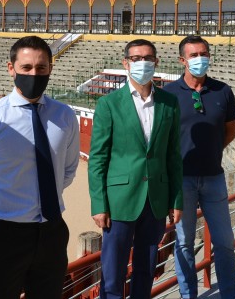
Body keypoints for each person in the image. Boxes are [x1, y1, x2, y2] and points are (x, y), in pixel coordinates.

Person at [0, 35, 80, 299]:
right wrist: (1, 208)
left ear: (50, 68)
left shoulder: (65, 115)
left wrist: (44, 197)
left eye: (41, 68)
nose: (34, 74)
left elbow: (67, 171)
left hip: (52, 230)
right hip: (4, 234)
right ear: (11, 68)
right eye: (26, 68)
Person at [88, 39, 183, 299]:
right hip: (119, 201)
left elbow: (173, 156)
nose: (143, 63)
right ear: (125, 63)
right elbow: (98, 157)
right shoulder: (109, 104)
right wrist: (99, 203)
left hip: (156, 198)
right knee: (112, 272)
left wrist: (176, 199)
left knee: (146, 269)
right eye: (136, 58)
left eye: (148, 58)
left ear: (157, 62)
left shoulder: (169, 103)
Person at [163, 35, 235, 299]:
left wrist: (213, 149)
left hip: (213, 177)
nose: (200, 59)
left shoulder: (223, 90)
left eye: (203, 53)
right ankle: (189, 295)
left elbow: (231, 130)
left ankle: (229, 294)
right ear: (182, 60)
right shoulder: (169, 94)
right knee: (184, 242)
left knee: (224, 241)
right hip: (181, 180)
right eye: (194, 55)